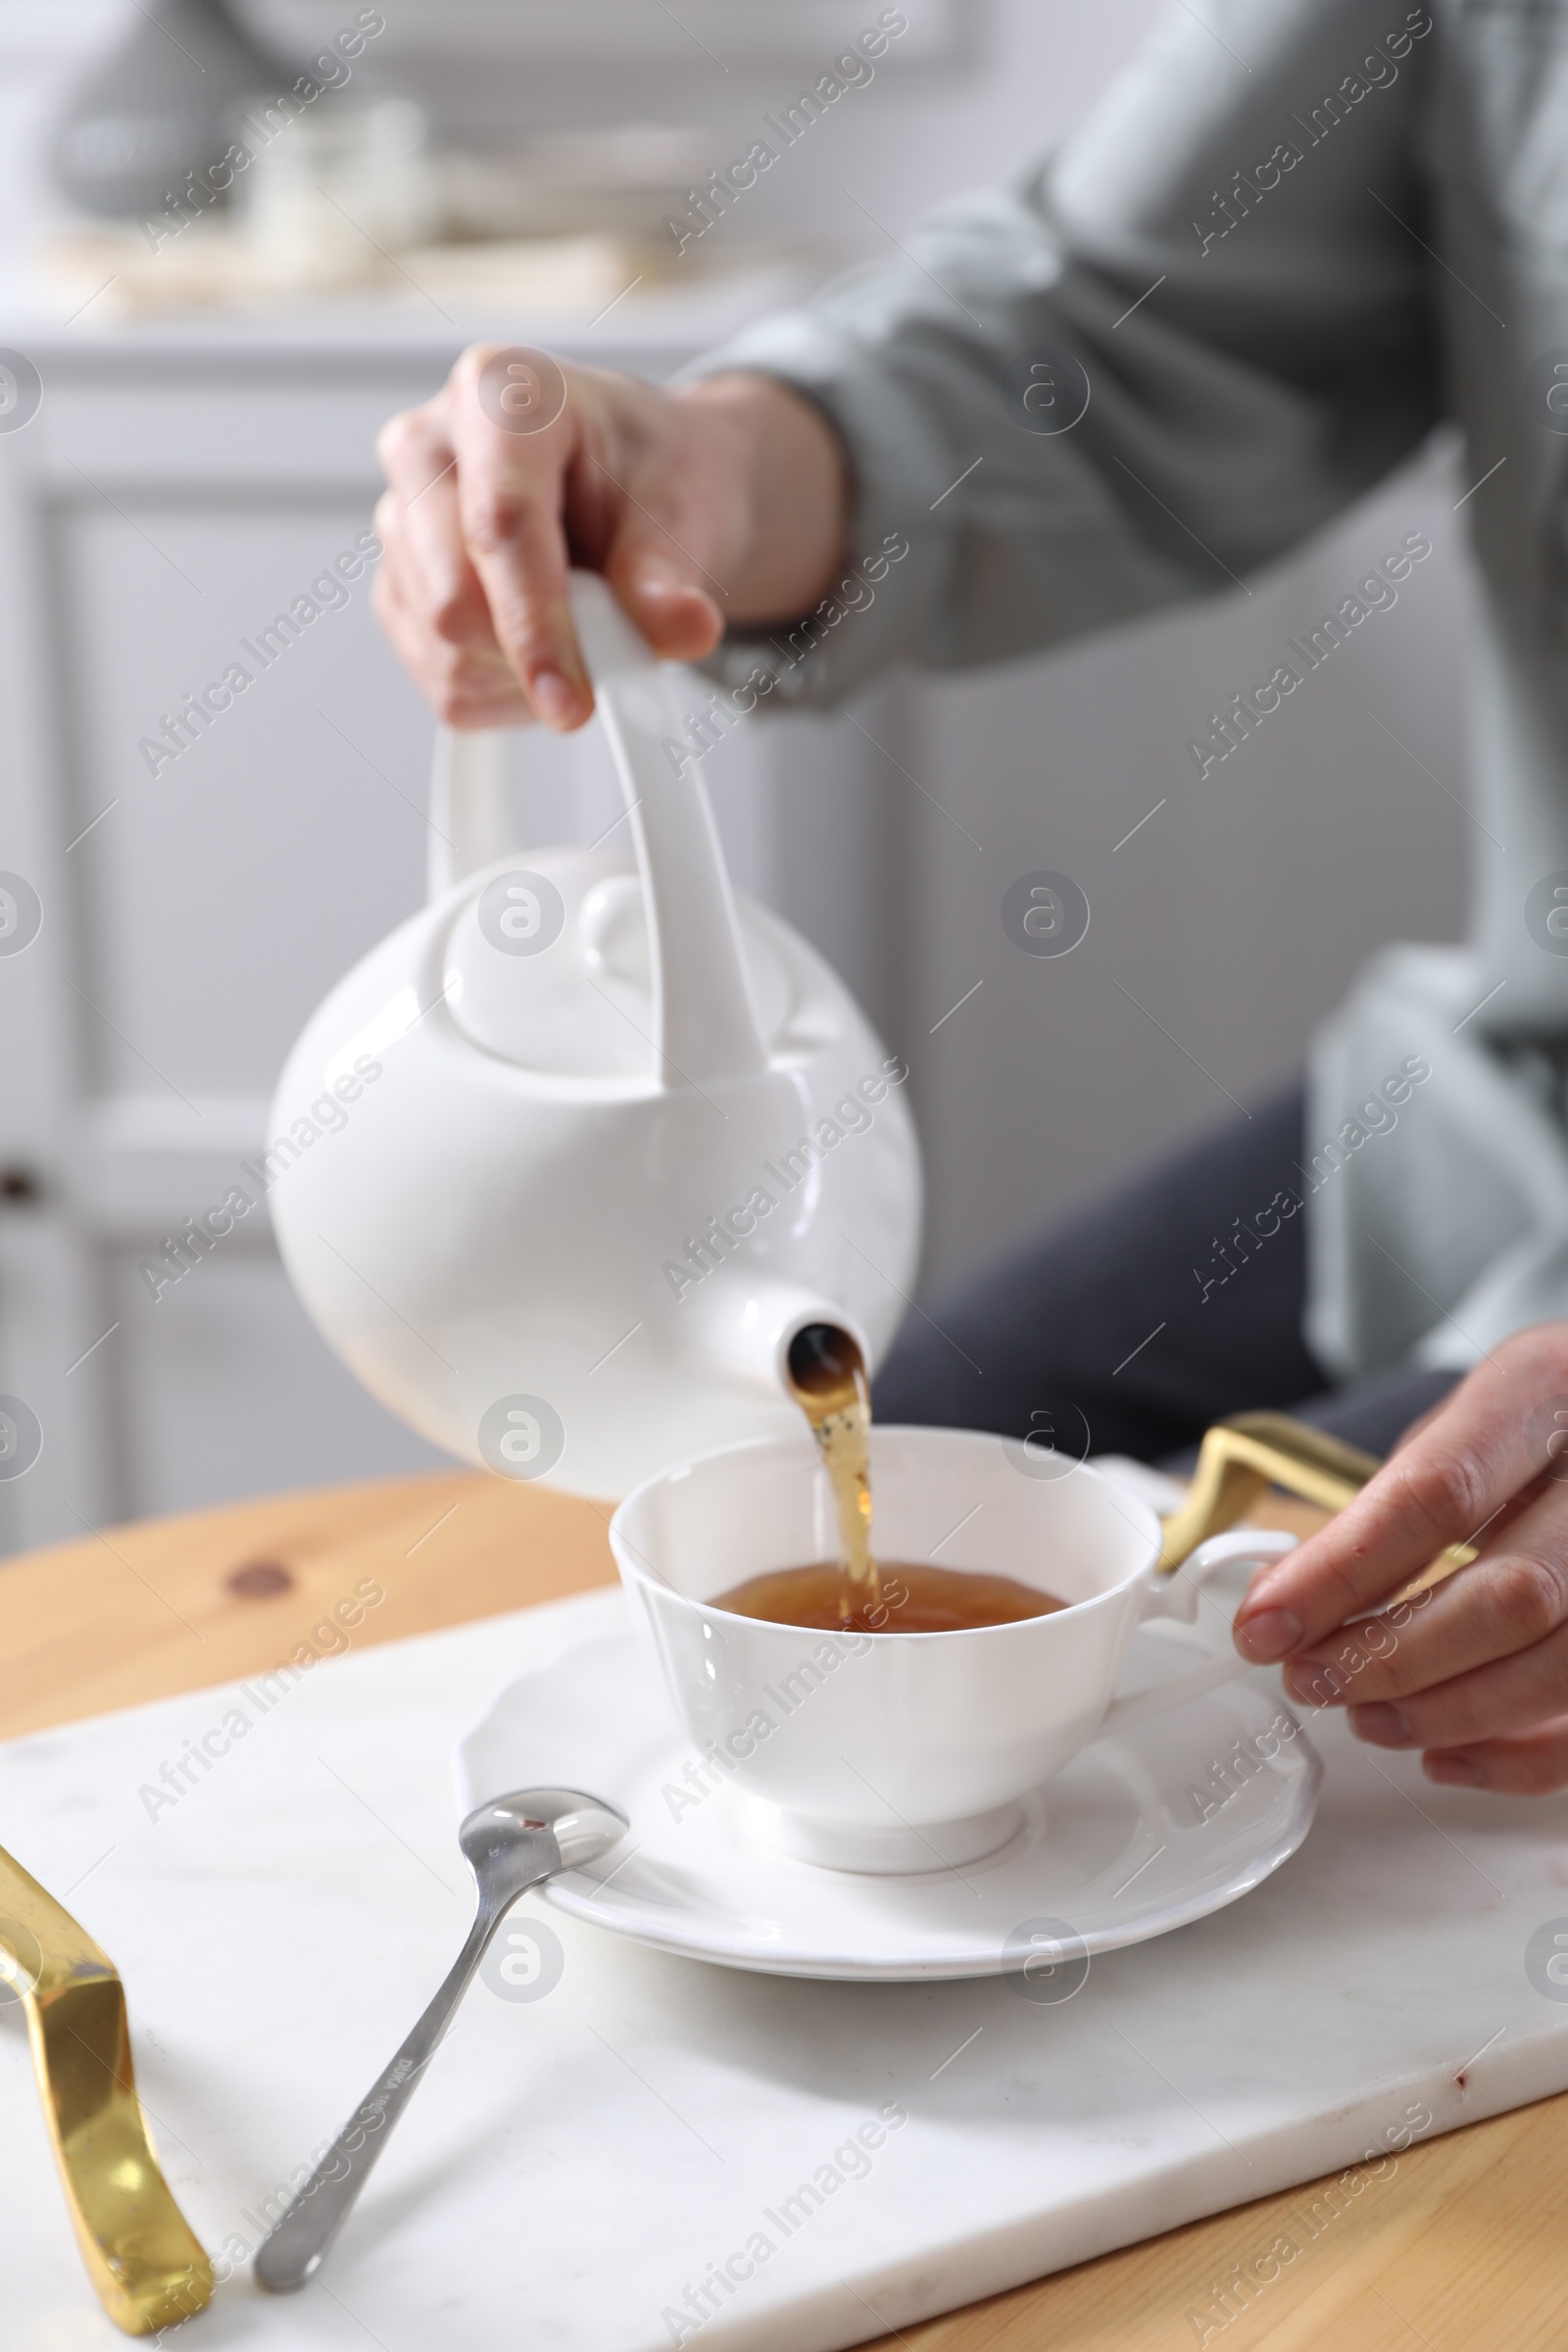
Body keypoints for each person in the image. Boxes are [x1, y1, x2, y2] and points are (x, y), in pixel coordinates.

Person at [369, 0, 1568, 1795]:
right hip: (1497, 1099)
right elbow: (1112, 321)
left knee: (1265, 1739)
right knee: (891, 1457)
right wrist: (718, 467)